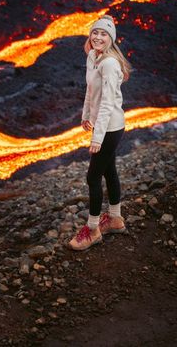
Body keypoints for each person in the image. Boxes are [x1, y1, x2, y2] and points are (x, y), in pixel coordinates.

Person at [69, 14, 133, 251]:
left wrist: (97, 138)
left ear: (111, 39)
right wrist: (86, 115)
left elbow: (106, 103)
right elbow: (90, 91)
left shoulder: (109, 64)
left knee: (92, 177)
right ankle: (115, 219)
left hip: (111, 127)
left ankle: (93, 229)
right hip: (103, 124)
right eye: (95, 32)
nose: (97, 37)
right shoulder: (93, 57)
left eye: (103, 34)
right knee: (109, 170)